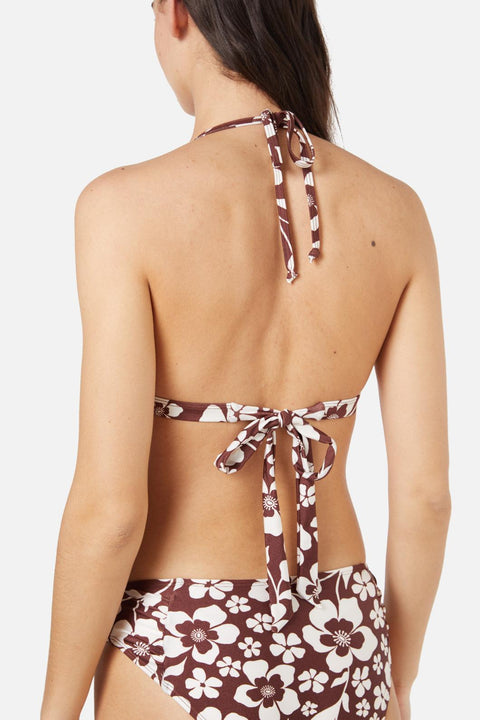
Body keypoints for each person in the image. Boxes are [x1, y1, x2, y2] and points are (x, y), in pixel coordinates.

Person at [40, 1, 451, 719]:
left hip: (179, 631)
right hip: (345, 632)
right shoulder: (398, 211)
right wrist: (399, 681)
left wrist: (55, 709)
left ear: (176, 13)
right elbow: (426, 497)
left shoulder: (123, 208)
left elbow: (111, 512)